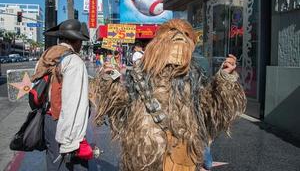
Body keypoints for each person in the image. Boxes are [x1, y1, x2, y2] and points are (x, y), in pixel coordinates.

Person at [93, 19, 246, 171]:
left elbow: (209, 108)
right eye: (172, 35)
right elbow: (122, 104)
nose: (178, 39)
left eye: (184, 36)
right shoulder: (142, 74)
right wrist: (110, 80)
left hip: (180, 155)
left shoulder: (193, 76)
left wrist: (225, 78)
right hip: (144, 155)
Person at [31, 19, 91, 170]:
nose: (81, 44)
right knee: (75, 166)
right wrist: (70, 140)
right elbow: (73, 103)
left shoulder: (46, 56)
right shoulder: (74, 62)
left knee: (53, 163)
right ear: (76, 41)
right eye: (80, 41)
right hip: (64, 123)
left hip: (47, 120)